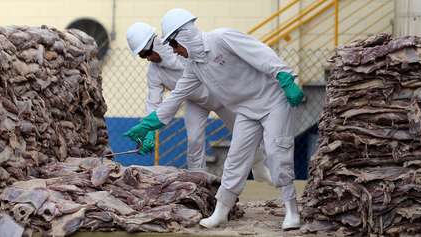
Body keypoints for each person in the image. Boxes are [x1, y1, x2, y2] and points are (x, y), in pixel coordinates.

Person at [124, 9, 304, 230]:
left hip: (272, 99)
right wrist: (149, 125)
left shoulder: (222, 38)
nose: (175, 51)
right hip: (245, 107)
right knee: (235, 158)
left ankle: (292, 211)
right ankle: (220, 212)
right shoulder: (192, 65)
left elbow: (260, 53)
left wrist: (283, 75)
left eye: (174, 44)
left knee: (277, 152)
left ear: (184, 36)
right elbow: (177, 96)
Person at [125, 22, 272, 180]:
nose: (147, 58)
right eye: (142, 55)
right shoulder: (155, 73)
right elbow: (154, 102)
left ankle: (259, 168)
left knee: (243, 132)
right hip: (195, 102)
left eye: (147, 52)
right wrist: (149, 132)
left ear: (155, 43)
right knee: (194, 140)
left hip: (221, 95)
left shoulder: (181, 49)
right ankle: (199, 179)